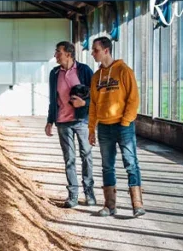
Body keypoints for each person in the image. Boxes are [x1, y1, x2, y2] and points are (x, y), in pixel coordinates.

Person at [87, 36, 144, 217]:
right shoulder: (96, 77)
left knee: (131, 163)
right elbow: (93, 105)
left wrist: (126, 121)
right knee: (107, 166)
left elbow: (133, 99)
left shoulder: (124, 71)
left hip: (123, 126)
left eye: (95, 50)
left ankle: (137, 204)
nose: (92, 53)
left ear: (106, 50)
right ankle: (110, 205)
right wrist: (91, 129)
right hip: (104, 127)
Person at [45, 41, 95, 208]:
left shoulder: (84, 70)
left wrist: (84, 103)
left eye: (58, 52)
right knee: (69, 159)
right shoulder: (54, 73)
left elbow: (97, 95)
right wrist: (49, 121)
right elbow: (53, 99)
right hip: (63, 122)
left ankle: (89, 193)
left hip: (82, 120)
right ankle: (73, 195)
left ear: (68, 54)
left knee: (86, 155)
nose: (55, 55)